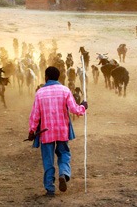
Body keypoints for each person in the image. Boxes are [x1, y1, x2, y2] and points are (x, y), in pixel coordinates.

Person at [28, 66, 87, 197]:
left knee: (48, 160)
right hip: (62, 130)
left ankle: (50, 188)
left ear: (46, 77)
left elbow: (35, 115)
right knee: (64, 153)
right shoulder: (64, 90)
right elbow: (75, 110)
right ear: (58, 77)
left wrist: (31, 131)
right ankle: (64, 174)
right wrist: (83, 106)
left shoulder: (40, 93)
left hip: (45, 132)